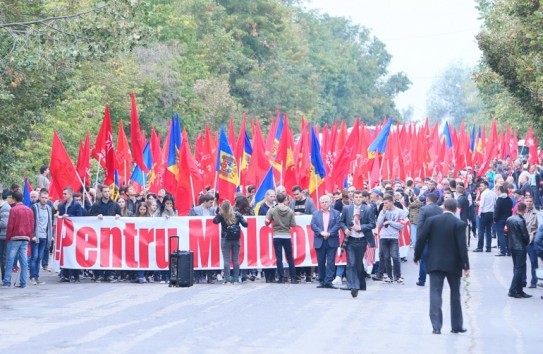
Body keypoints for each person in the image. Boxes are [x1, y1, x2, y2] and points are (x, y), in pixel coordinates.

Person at [414, 198, 470, 335]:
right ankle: (456, 326)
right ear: (456, 209)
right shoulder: (459, 223)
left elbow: (421, 238)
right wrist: (466, 265)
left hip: (435, 262)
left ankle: (436, 326)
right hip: (454, 264)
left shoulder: (431, 221)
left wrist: (417, 255)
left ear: (443, 207)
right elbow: (462, 246)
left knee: (435, 292)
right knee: (455, 294)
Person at [339, 190, 376, 297]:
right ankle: (352, 286)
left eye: (360, 197)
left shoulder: (368, 209)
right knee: (351, 262)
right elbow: (341, 221)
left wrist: (361, 227)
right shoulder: (347, 208)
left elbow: (372, 224)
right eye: (356, 197)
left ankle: (360, 283)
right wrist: (345, 229)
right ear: (353, 198)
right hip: (350, 240)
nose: (358, 199)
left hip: (362, 240)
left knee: (358, 263)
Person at [89, 185, 121, 282]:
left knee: (110, 254)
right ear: (101, 193)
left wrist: (118, 216)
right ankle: (98, 274)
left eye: (108, 191)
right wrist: (96, 216)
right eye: (105, 191)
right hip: (99, 234)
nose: (107, 193)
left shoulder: (115, 205)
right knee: (99, 254)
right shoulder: (96, 205)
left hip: (111, 234)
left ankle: (109, 274)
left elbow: (120, 216)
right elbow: (89, 216)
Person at [2, 192, 34, 288]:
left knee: (10, 260)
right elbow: (32, 225)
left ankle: (7, 281)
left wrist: (8, 238)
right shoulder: (29, 210)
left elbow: (10, 225)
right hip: (25, 238)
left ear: (14, 199)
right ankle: (23, 282)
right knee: (24, 261)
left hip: (15, 237)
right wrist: (30, 238)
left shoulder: (14, 210)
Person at [265, 192, 298, 284]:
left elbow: (266, 222)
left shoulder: (273, 210)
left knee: (279, 258)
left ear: (276, 199)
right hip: (287, 235)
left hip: (277, 235)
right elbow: (293, 224)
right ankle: (293, 278)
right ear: (285, 200)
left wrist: (269, 211)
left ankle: (281, 278)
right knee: (290, 257)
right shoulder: (290, 211)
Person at [213, 200, 248, 284]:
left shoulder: (222, 215)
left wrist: (219, 212)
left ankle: (227, 280)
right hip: (236, 239)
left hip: (225, 239)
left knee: (226, 260)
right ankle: (236, 279)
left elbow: (214, 221)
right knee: (235, 259)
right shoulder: (237, 214)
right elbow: (245, 224)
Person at [311, 195, 341, 289]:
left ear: (330, 202)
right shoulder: (315, 214)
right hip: (320, 240)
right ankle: (322, 280)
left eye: (326, 202)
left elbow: (338, 224)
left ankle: (329, 281)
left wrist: (329, 233)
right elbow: (313, 225)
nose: (324, 204)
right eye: (322, 202)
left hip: (332, 239)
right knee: (321, 262)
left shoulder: (336, 213)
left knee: (331, 262)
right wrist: (321, 232)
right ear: (320, 203)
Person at [376, 194, 407, 284]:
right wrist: (383, 213)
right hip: (383, 236)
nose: (384, 205)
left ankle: (398, 276)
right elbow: (379, 224)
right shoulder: (383, 211)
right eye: (383, 203)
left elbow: (401, 226)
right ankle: (389, 276)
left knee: (395, 257)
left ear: (391, 202)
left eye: (386, 203)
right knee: (386, 257)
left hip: (393, 236)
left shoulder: (399, 212)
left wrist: (390, 222)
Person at [57, 187, 85, 282]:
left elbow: (79, 218)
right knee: (65, 254)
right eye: (63, 193)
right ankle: (65, 275)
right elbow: (60, 216)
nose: (63, 195)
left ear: (70, 194)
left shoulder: (76, 205)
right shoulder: (62, 205)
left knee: (74, 253)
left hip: (74, 233)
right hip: (64, 233)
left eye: (65, 194)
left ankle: (76, 275)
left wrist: (69, 217)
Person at [290, 185, 316, 283]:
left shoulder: (309, 202)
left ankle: (308, 275)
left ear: (301, 192)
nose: (295, 196)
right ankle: (297, 274)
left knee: (307, 253)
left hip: (306, 232)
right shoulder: (292, 202)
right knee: (296, 253)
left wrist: (301, 215)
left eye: (297, 194)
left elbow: (313, 214)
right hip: (295, 232)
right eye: (294, 195)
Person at [506, 202, 532, 298]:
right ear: (524, 210)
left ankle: (518, 290)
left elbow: (506, 232)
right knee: (519, 268)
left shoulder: (509, 219)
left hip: (512, 246)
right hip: (520, 247)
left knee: (517, 268)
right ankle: (513, 290)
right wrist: (526, 242)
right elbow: (525, 235)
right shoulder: (521, 220)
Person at [29, 189, 53, 285]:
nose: (44, 199)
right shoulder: (34, 207)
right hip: (36, 236)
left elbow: (49, 223)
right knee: (34, 257)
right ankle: (32, 277)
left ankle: (37, 277)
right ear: (39, 197)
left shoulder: (48, 208)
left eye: (46, 198)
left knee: (39, 257)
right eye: (42, 198)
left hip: (44, 236)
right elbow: (31, 222)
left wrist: (51, 235)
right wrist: (33, 235)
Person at [474, 180, 497, 252]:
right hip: (491, 213)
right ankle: (488, 247)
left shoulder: (484, 194)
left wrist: (479, 213)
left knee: (481, 230)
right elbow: (496, 201)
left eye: (482, 186)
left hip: (484, 213)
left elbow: (481, 205)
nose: (480, 187)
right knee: (488, 231)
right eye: (480, 186)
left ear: (486, 186)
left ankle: (480, 247)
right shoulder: (493, 193)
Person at [494, 185, 513, 256]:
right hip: (508, 218)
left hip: (500, 219)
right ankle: (509, 250)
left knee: (501, 235)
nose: (496, 192)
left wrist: (495, 219)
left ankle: (502, 251)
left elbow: (497, 211)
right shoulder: (509, 199)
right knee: (507, 235)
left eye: (496, 191)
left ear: (499, 191)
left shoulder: (499, 200)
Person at [0, 189, 11, 282]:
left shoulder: (5, 208)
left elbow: (4, 223)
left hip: (3, 236)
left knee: (3, 258)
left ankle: (5, 278)